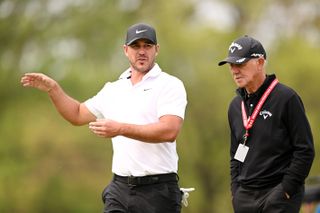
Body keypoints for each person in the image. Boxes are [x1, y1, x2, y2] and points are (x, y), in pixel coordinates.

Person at [21, 23, 187, 213]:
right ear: (125, 50)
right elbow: (76, 114)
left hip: (158, 191)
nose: (142, 51)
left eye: (147, 45)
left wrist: (120, 129)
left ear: (156, 49)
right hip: (119, 188)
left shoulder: (170, 85)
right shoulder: (113, 89)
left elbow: (169, 130)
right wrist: (53, 89)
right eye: (135, 46)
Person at [218, 35, 315, 213]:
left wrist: (286, 189)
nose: (234, 70)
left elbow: (305, 150)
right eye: (231, 65)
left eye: (240, 64)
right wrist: (236, 192)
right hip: (245, 198)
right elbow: (235, 155)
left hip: (278, 195)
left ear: (260, 62)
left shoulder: (286, 98)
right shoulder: (235, 106)